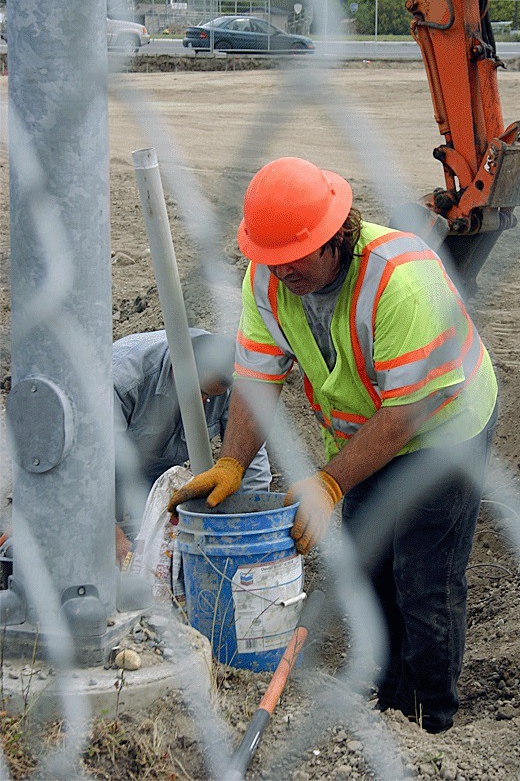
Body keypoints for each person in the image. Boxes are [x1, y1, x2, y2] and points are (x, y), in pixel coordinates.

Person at [167, 157, 498, 733]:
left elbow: (404, 416)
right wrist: (231, 462)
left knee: (425, 577)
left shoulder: (401, 280)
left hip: (444, 427)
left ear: (336, 237)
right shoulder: (267, 278)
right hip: (364, 430)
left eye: (295, 254)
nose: (282, 270)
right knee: (371, 569)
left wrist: (328, 482)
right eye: (270, 257)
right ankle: (389, 695)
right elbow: (257, 376)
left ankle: (427, 721)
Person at [113, 328, 272, 562]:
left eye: (212, 397)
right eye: (200, 392)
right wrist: (111, 535)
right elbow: (89, 469)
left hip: (163, 467)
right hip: (109, 464)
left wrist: (252, 528)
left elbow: (253, 463)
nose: (204, 403)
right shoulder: (125, 380)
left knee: (164, 550)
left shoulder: (230, 383)